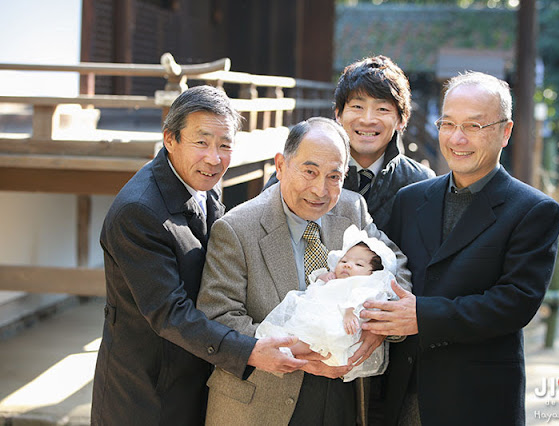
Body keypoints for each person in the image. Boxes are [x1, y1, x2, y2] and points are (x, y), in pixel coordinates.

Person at [91, 85, 306, 426]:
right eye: (201, 142)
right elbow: (170, 314)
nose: (214, 158)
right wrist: (250, 351)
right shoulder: (139, 212)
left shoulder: (201, 180)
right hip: (146, 392)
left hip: (194, 375)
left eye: (225, 145)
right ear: (170, 139)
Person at [360, 71, 559, 425]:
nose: (457, 138)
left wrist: (422, 316)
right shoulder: (411, 200)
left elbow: (515, 303)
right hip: (401, 393)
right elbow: (387, 273)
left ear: (505, 131)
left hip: (476, 398)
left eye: (473, 126)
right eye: (448, 123)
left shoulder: (532, 210)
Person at [196, 117, 412, 425]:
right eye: (309, 171)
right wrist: (298, 352)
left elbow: (394, 265)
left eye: (334, 176)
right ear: (281, 165)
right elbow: (216, 317)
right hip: (262, 399)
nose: (320, 189)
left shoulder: (353, 209)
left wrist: (376, 326)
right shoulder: (236, 227)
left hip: (341, 395)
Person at [265, 55, 435, 233]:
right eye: (357, 107)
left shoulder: (421, 183)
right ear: (338, 114)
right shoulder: (295, 169)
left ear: (402, 119)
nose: (367, 120)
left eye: (382, 109)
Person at [255, 225, 399, 383]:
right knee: (299, 331)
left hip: (337, 323)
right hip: (316, 314)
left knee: (311, 339)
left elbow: (360, 300)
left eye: (359, 265)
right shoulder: (335, 280)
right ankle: (283, 346)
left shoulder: (365, 285)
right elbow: (315, 288)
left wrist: (350, 312)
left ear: (372, 274)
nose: (348, 265)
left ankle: (289, 350)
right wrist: (322, 278)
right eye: (344, 260)